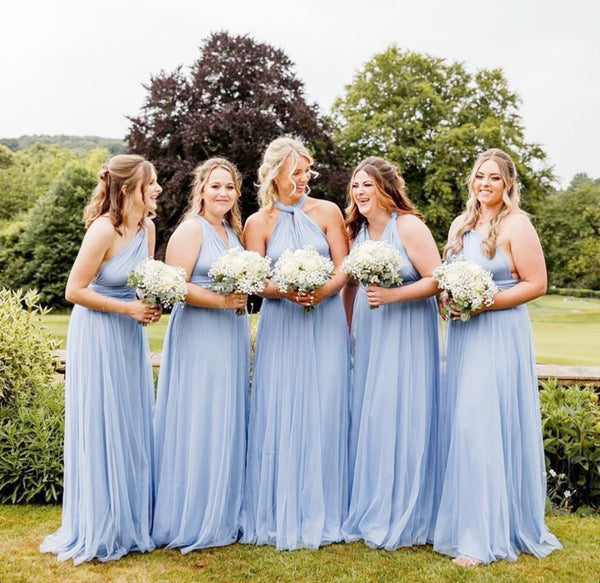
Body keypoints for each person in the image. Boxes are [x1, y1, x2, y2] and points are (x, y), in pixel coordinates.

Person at [433, 148, 562, 566]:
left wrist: (485, 301)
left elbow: (536, 283)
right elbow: (447, 276)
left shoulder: (517, 224)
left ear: (507, 184)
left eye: (493, 177)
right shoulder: (461, 224)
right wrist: (448, 297)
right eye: (479, 176)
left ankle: (483, 538)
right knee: (465, 425)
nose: (484, 184)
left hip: (499, 332)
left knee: (483, 424)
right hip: (465, 334)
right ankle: (468, 523)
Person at [40, 155, 162, 565]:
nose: (158, 188)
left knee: (131, 419)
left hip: (129, 334)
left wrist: (152, 301)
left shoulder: (147, 229)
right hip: (97, 332)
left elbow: (141, 282)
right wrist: (128, 308)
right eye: (150, 182)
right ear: (128, 189)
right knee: (101, 419)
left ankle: (130, 519)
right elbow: (74, 290)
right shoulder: (103, 230)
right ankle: (100, 523)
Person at [241, 137, 350, 550]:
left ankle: (327, 506)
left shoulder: (328, 211)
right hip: (282, 322)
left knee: (326, 403)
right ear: (275, 175)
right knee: (280, 403)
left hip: (326, 319)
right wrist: (286, 291)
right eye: (296, 173)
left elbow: (344, 267)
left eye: (307, 171)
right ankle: (279, 506)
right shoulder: (258, 222)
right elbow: (255, 279)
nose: (304, 179)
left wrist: (323, 292)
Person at [340, 157, 441, 549]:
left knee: (403, 410)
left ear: (385, 189)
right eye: (355, 185)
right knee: (374, 413)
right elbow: (350, 286)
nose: (360, 192)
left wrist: (393, 295)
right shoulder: (358, 231)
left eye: (367, 184)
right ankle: (375, 503)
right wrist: (347, 329)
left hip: (407, 330)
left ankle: (407, 510)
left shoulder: (409, 226)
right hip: (371, 332)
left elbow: (436, 279)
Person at [151, 158, 250, 552]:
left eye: (229, 187)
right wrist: (222, 301)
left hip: (231, 334)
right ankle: (189, 514)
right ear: (202, 191)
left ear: (237, 193)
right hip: (199, 334)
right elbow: (175, 286)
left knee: (226, 413)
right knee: (199, 414)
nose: (223, 193)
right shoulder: (191, 230)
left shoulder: (234, 232)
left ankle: (223, 509)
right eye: (215, 186)